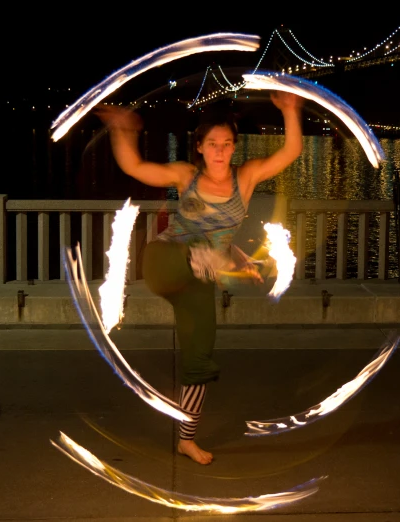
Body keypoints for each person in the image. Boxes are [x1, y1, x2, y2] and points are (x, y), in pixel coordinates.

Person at [95, 92, 304, 465]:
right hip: (166, 261)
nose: (220, 151)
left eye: (226, 144)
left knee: (200, 359)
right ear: (200, 147)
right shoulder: (186, 175)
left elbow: (289, 152)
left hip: (200, 282)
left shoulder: (247, 177)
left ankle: (187, 439)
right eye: (213, 144)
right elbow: (135, 167)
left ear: (234, 147)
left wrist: (289, 110)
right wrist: (122, 131)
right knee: (198, 254)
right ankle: (212, 261)